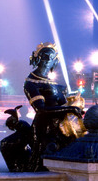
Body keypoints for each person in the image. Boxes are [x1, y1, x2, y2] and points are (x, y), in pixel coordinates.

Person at [23, 42, 84, 171]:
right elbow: (41, 109)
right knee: (42, 164)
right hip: (44, 130)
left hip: (62, 129)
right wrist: (71, 108)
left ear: (55, 61)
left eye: (51, 58)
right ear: (37, 58)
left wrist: (74, 103)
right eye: (45, 56)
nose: (47, 61)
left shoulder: (54, 84)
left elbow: (62, 104)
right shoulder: (31, 83)